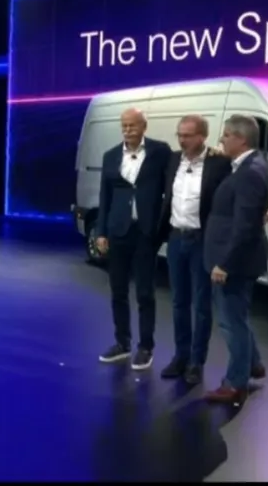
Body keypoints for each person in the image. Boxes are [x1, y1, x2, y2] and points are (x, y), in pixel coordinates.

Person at [95, 108, 172, 370]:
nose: (128, 130)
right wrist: (101, 232)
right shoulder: (110, 156)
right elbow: (104, 196)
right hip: (118, 231)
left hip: (145, 232)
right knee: (118, 290)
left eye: (133, 125)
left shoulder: (160, 152)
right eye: (124, 125)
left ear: (144, 127)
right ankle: (122, 343)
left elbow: (177, 174)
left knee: (145, 293)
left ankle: (146, 346)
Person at [157, 115, 232, 386]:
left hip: (202, 241)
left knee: (201, 304)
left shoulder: (219, 163)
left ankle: (197, 362)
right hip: (177, 238)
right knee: (179, 301)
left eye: (187, 135)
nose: (181, 140)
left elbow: (236, 192)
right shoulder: (172, 160)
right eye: (179, 134)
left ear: (202, 137)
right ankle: (181, 356)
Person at [203, 115, 268, 404]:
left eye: (227, 135)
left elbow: (244, 226)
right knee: (238, 317)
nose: (221, 139)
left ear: (241, 139)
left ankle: (235, 383)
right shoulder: (252, 165)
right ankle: (253, 364)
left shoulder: (249, 173)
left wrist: (225, 263)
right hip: (239, 258)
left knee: (231, 323)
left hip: (235, 263)